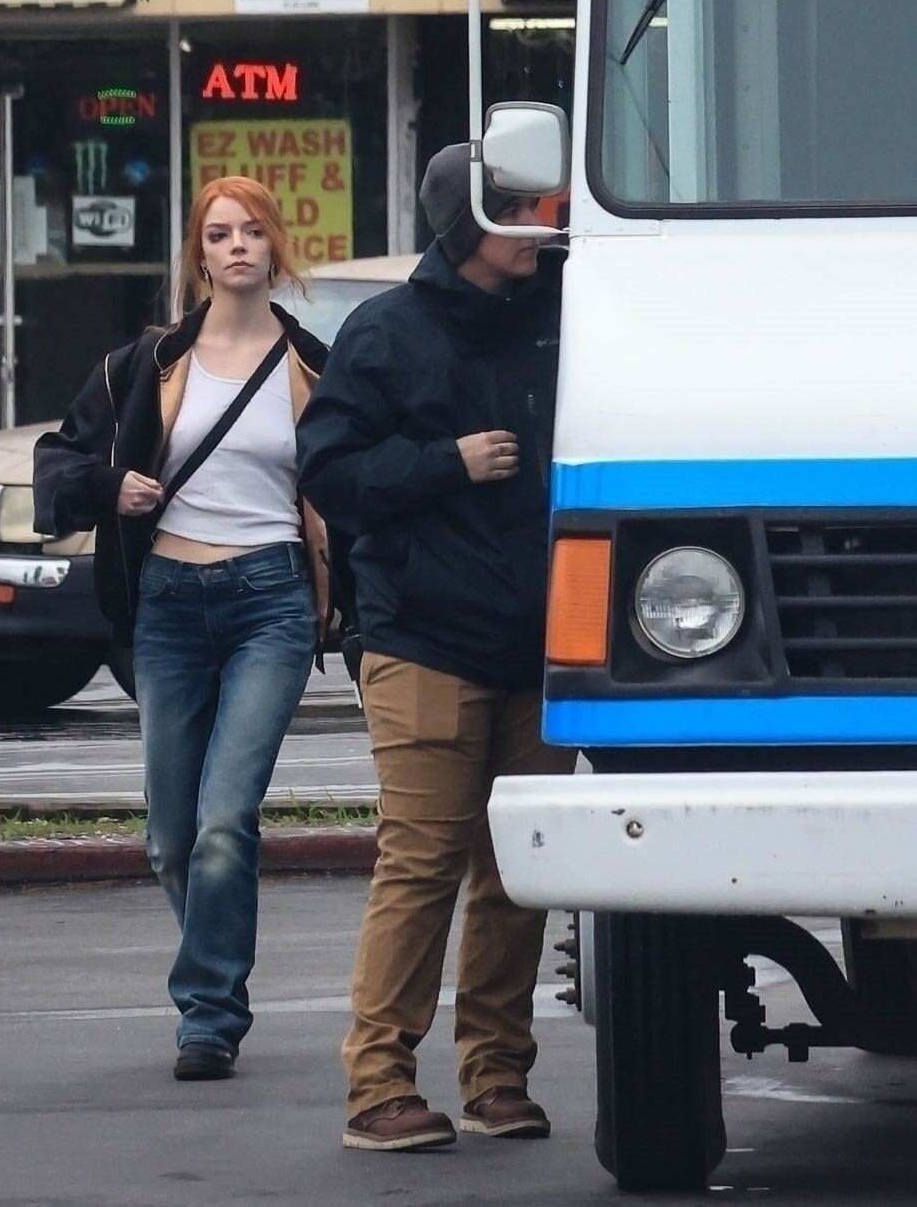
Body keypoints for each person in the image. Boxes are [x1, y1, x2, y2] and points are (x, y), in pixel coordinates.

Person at [296, 143, 575, 1153]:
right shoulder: (384, 333)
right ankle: (377, 1087)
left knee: (515, 873)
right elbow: (328, 473)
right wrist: (443, 463)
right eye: (519, 209)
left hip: (541, 645)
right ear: (467, 223)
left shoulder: (563, 318)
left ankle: (497, 1077)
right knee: (421, 862)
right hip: (421, 639)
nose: (542, 223)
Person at [33, 176, 331, 1081]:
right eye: (219, 233)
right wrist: (109, 487)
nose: (237, 245)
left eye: (252, 230)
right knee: (170, 838)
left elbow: (355, 479)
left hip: (271, 600)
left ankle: (209, 1014)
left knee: (224, 821)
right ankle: (217, 976)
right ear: (198, 254)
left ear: (275, 246)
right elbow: (59, 457)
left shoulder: (314, 365)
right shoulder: (148, 363)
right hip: (167, 602)